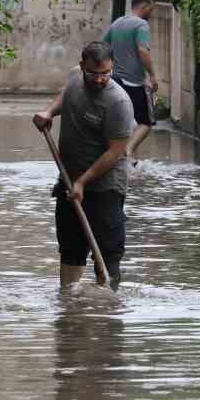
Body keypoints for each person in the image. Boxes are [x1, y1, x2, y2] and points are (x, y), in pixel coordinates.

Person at [32, 41, 136, 289]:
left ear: (112, 68)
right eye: (93, 73)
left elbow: (116, 152)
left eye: (105, 74)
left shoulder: (118, 102)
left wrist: (83, 182)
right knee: (70, 248)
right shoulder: (76, 79)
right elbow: (67, 94)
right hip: (69, 181)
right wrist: (48, 112)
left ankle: (107, 311)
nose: (99, 79)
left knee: (108, 252)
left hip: (105, 187)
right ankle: (69, 308)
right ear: (82, 67)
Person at [102, 0, 160, 160]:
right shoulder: (141, 25)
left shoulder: (117, 23)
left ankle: (129, 159)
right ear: (144, 7)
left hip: (116, 81)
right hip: (134, 82)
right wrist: (153, 76)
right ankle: (127, 151)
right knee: (146, 123)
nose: (152, 13)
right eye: (151, 9)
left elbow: (103, 47)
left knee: (125, 122)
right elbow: (143, 51)